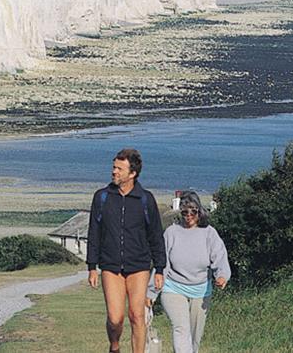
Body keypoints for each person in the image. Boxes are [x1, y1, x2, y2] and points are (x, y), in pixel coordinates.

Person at [87, 148, 167, 353]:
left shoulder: (145, 199)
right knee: (115, 319)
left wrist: (159, 268)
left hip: (139, 265)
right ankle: (114, 346)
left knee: (137, 315)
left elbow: (155, 235)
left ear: (132, 174)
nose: (114, 172)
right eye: (113, 167)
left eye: (119, 169)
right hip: (110, 266)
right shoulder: (102, 197)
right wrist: (91, 266)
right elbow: (94, 232)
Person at [147, 190, 230, 353]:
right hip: (173, 288)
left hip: (200, 291)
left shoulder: (209, 233)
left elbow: (219, 256)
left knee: (194, 337)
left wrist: (221, 275)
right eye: (185, 211)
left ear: (200, 211)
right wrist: (151, 293)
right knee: (181, 329)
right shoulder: (171, 233)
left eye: (193, 211)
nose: (189, 215)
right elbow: (162, 265)